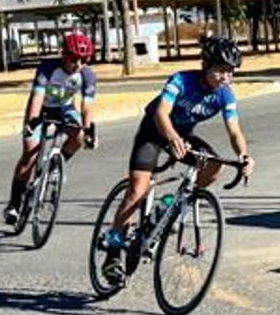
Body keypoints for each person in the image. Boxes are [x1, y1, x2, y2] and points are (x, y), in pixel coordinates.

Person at [97, 35, 255, 281]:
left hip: (182, 136)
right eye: (221, 71)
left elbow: (234, 130)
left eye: (231, 72)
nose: (226, 77)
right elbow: (161, 112)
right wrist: (171, 138)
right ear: (206, 65)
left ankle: (166, 206)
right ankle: (114, 249)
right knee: (137, 191)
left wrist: (244, 156)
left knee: (213, 167)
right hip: (154, 132)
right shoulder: (181, 80)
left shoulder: (225, 94)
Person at [3, 31, 98, 226]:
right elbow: (37, 97)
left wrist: (88, 131)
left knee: (78, 136)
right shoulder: (48, 68)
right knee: (30, 152)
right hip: (41, 110)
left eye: (84, 59)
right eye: (74, 59)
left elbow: (86, 106)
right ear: (63, 54)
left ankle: (56, 165)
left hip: (65, 109)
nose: (78, 64)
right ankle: (14, 203)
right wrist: (32, 123)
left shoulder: (87, 75)